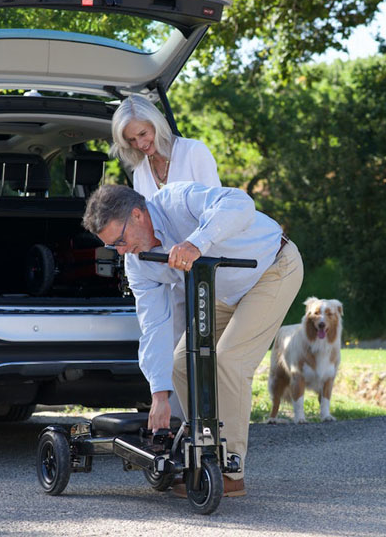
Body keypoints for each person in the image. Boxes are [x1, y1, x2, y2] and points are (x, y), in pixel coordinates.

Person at [82, 182, 303, 498]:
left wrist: (196, 242)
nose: (120, 251)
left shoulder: (176, 200)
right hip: (223, 290)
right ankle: (203, 453)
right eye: (112, 247)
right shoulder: (137, 263)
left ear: (137, 214)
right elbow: (154, 325)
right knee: (181, 363)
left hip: (272, 267)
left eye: (120, 240)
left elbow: (240, 204)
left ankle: (230, 470)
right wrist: (158, 394)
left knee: (228, 360)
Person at [110, 94, 222, 416]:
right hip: (167, 272)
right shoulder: (141, 171)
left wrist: (194, 250)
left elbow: (215, 210)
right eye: (132, 139)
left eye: (143, 134)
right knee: (171, 352)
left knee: (203, 354)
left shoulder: (194, 152)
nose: (141, 143)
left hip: (203, 267)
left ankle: (211, 425)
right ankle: (173, 425)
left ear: (156, 124)